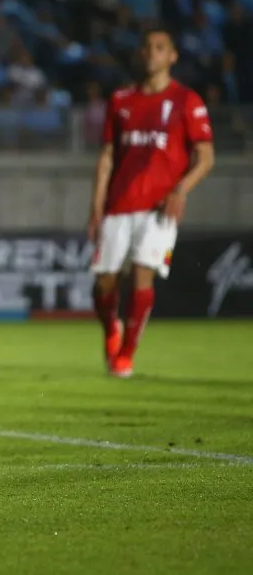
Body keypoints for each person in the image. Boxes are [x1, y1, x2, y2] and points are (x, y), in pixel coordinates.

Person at [87, 28, 215, 378]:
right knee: (103, 284)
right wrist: (96, 206)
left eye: (160, 48)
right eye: (147, 47)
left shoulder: (187, 101)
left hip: (159, 207)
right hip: (118, 204)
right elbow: (109, 156)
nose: (151, 53)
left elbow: (205, 157)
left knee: (143, 276)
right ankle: (111, 328)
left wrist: (181, 189)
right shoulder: (122, 99)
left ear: (172, 56)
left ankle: (126, 353)